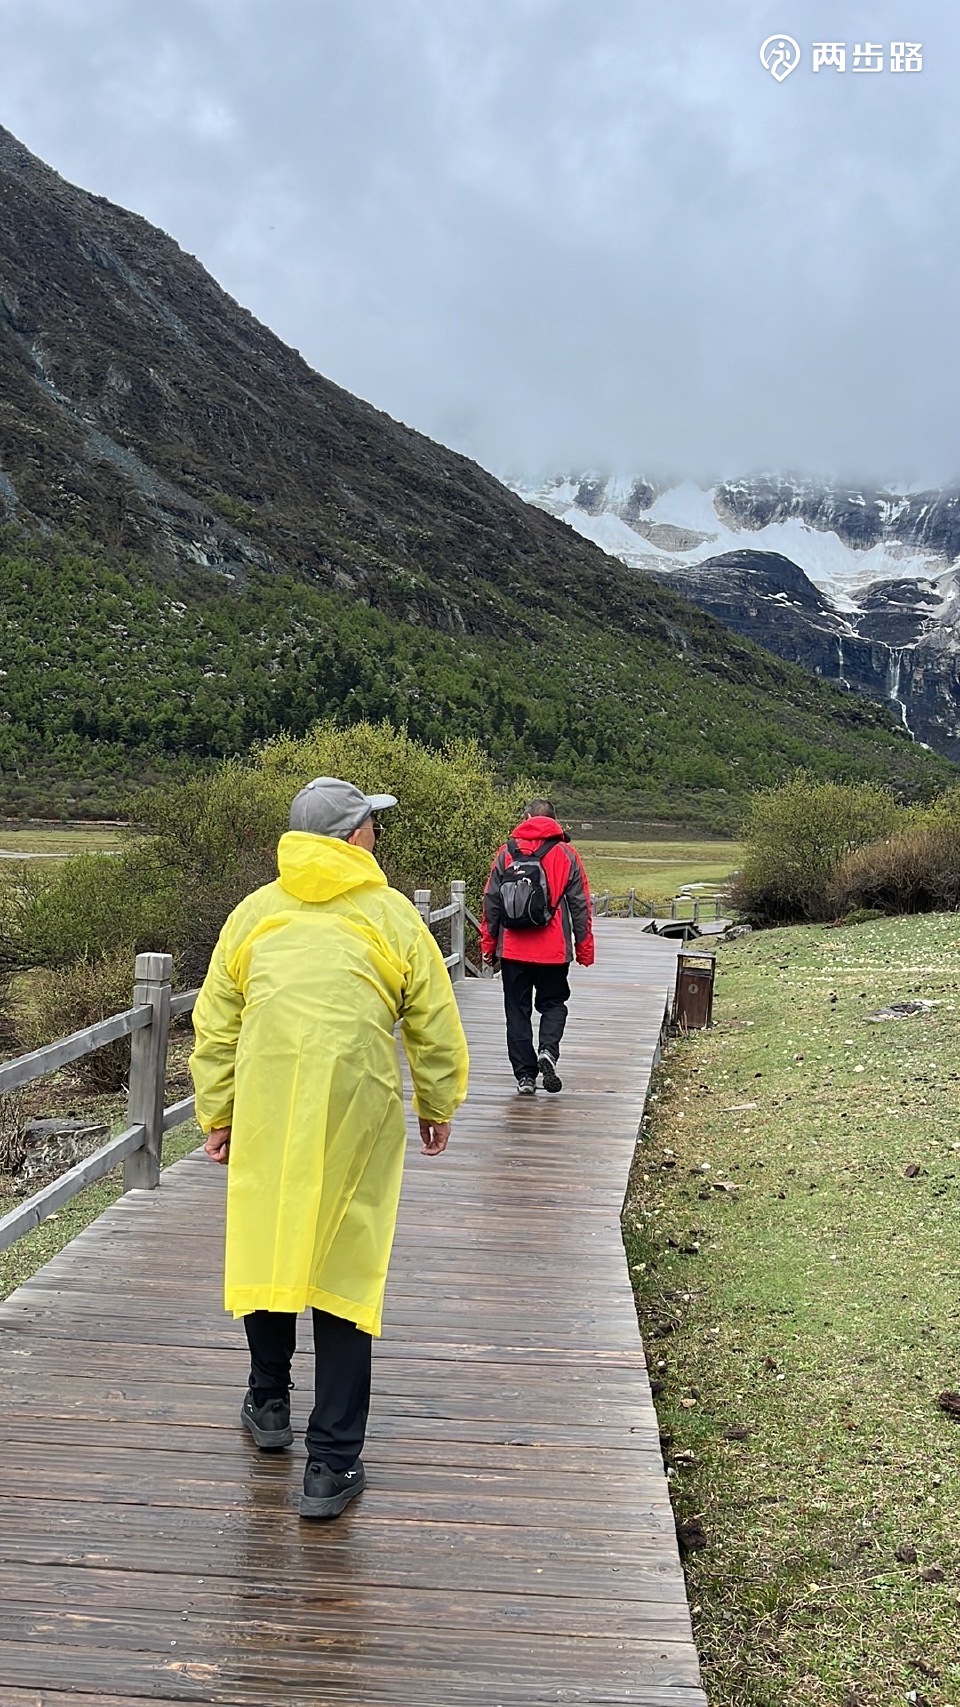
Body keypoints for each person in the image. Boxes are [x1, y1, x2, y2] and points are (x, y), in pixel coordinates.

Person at [189, 776, 469, 1520]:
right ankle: (331, 1465)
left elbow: (216, 1020)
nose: (378, 832)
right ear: (353, 837)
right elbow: (433, 1019)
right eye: (372, 822)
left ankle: (269, 1401)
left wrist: (216, 1111)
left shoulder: (253, 913)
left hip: (269, 1102)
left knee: (272, 1241)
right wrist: (437, 1102)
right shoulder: (391, 915)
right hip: (358, 1104)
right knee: (344, 1259)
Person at [480, 798, 594, 1095]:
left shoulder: (506, 853)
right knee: (553, 1004)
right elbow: (580, 905)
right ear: (555, 820)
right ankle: (548, 1051)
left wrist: (488, 944)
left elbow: (491, 901)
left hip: (513, 949)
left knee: (517, 1011)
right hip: (553, 949)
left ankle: (525, 1077)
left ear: (527, 817)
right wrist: (584, 948)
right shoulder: (567, 854)